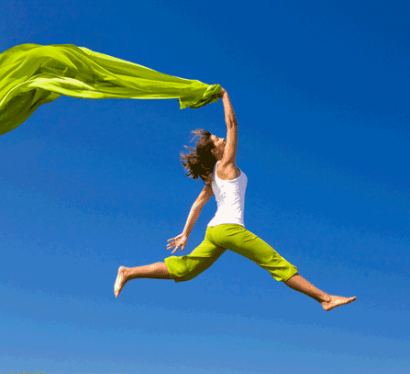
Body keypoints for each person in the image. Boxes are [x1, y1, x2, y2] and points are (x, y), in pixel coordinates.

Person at [113, 89, 356, 311]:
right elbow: (232, 123)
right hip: (229, 229)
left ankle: (129, 271)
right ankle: (325, 299)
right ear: (214, 151)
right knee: (275, 262)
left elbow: (198, 204)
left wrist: (186, 233)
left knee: (185, 270)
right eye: (218, 140)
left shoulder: (214, 176)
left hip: (215, 232)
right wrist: (224, 95)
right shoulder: (225, 165)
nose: (222, 139)